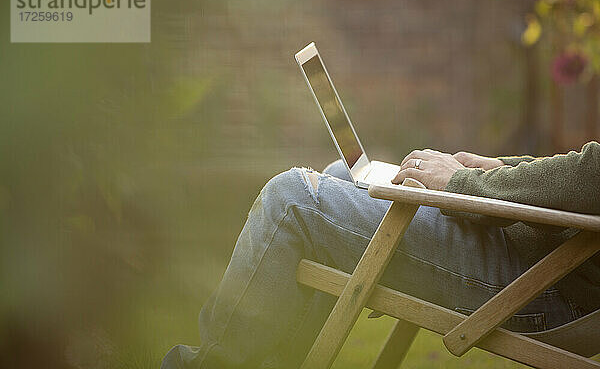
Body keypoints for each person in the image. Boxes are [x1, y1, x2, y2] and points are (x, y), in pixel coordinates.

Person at [162, 141, 600, 369]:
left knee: (292, 198)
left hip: (545, 283)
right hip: (545, 250)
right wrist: (500, 168)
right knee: (339, 175)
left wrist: (464, 186)